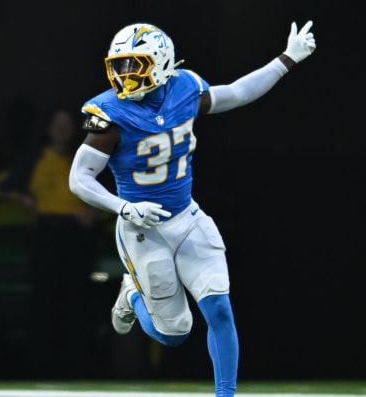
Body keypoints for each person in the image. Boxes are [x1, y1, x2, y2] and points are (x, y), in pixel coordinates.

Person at [68, 21, 315, 396]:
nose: (124, 75)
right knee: (175, 334)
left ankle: (225, 394)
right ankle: (132, 294)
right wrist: (123, 208)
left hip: (187, 218)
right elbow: (79, 178)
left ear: (161, 62)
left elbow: (235, 93)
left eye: (133, 65)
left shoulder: (185, 87)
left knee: (219, 309)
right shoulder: (109, 114)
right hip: (142, 231)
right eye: (118, 66)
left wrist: (287, 59)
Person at [0, 107, 102, 376]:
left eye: (67, 124)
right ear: (48, 129)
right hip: (45, 233)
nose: (62, 130)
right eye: (57, 124)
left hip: (75, 235)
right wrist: (26, 201)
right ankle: (41, 366)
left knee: (75, 298)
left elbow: (107, 191)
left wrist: (91, 213)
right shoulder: (34, 160)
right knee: (44, 297)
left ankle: (74, 365)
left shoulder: (85, 159)